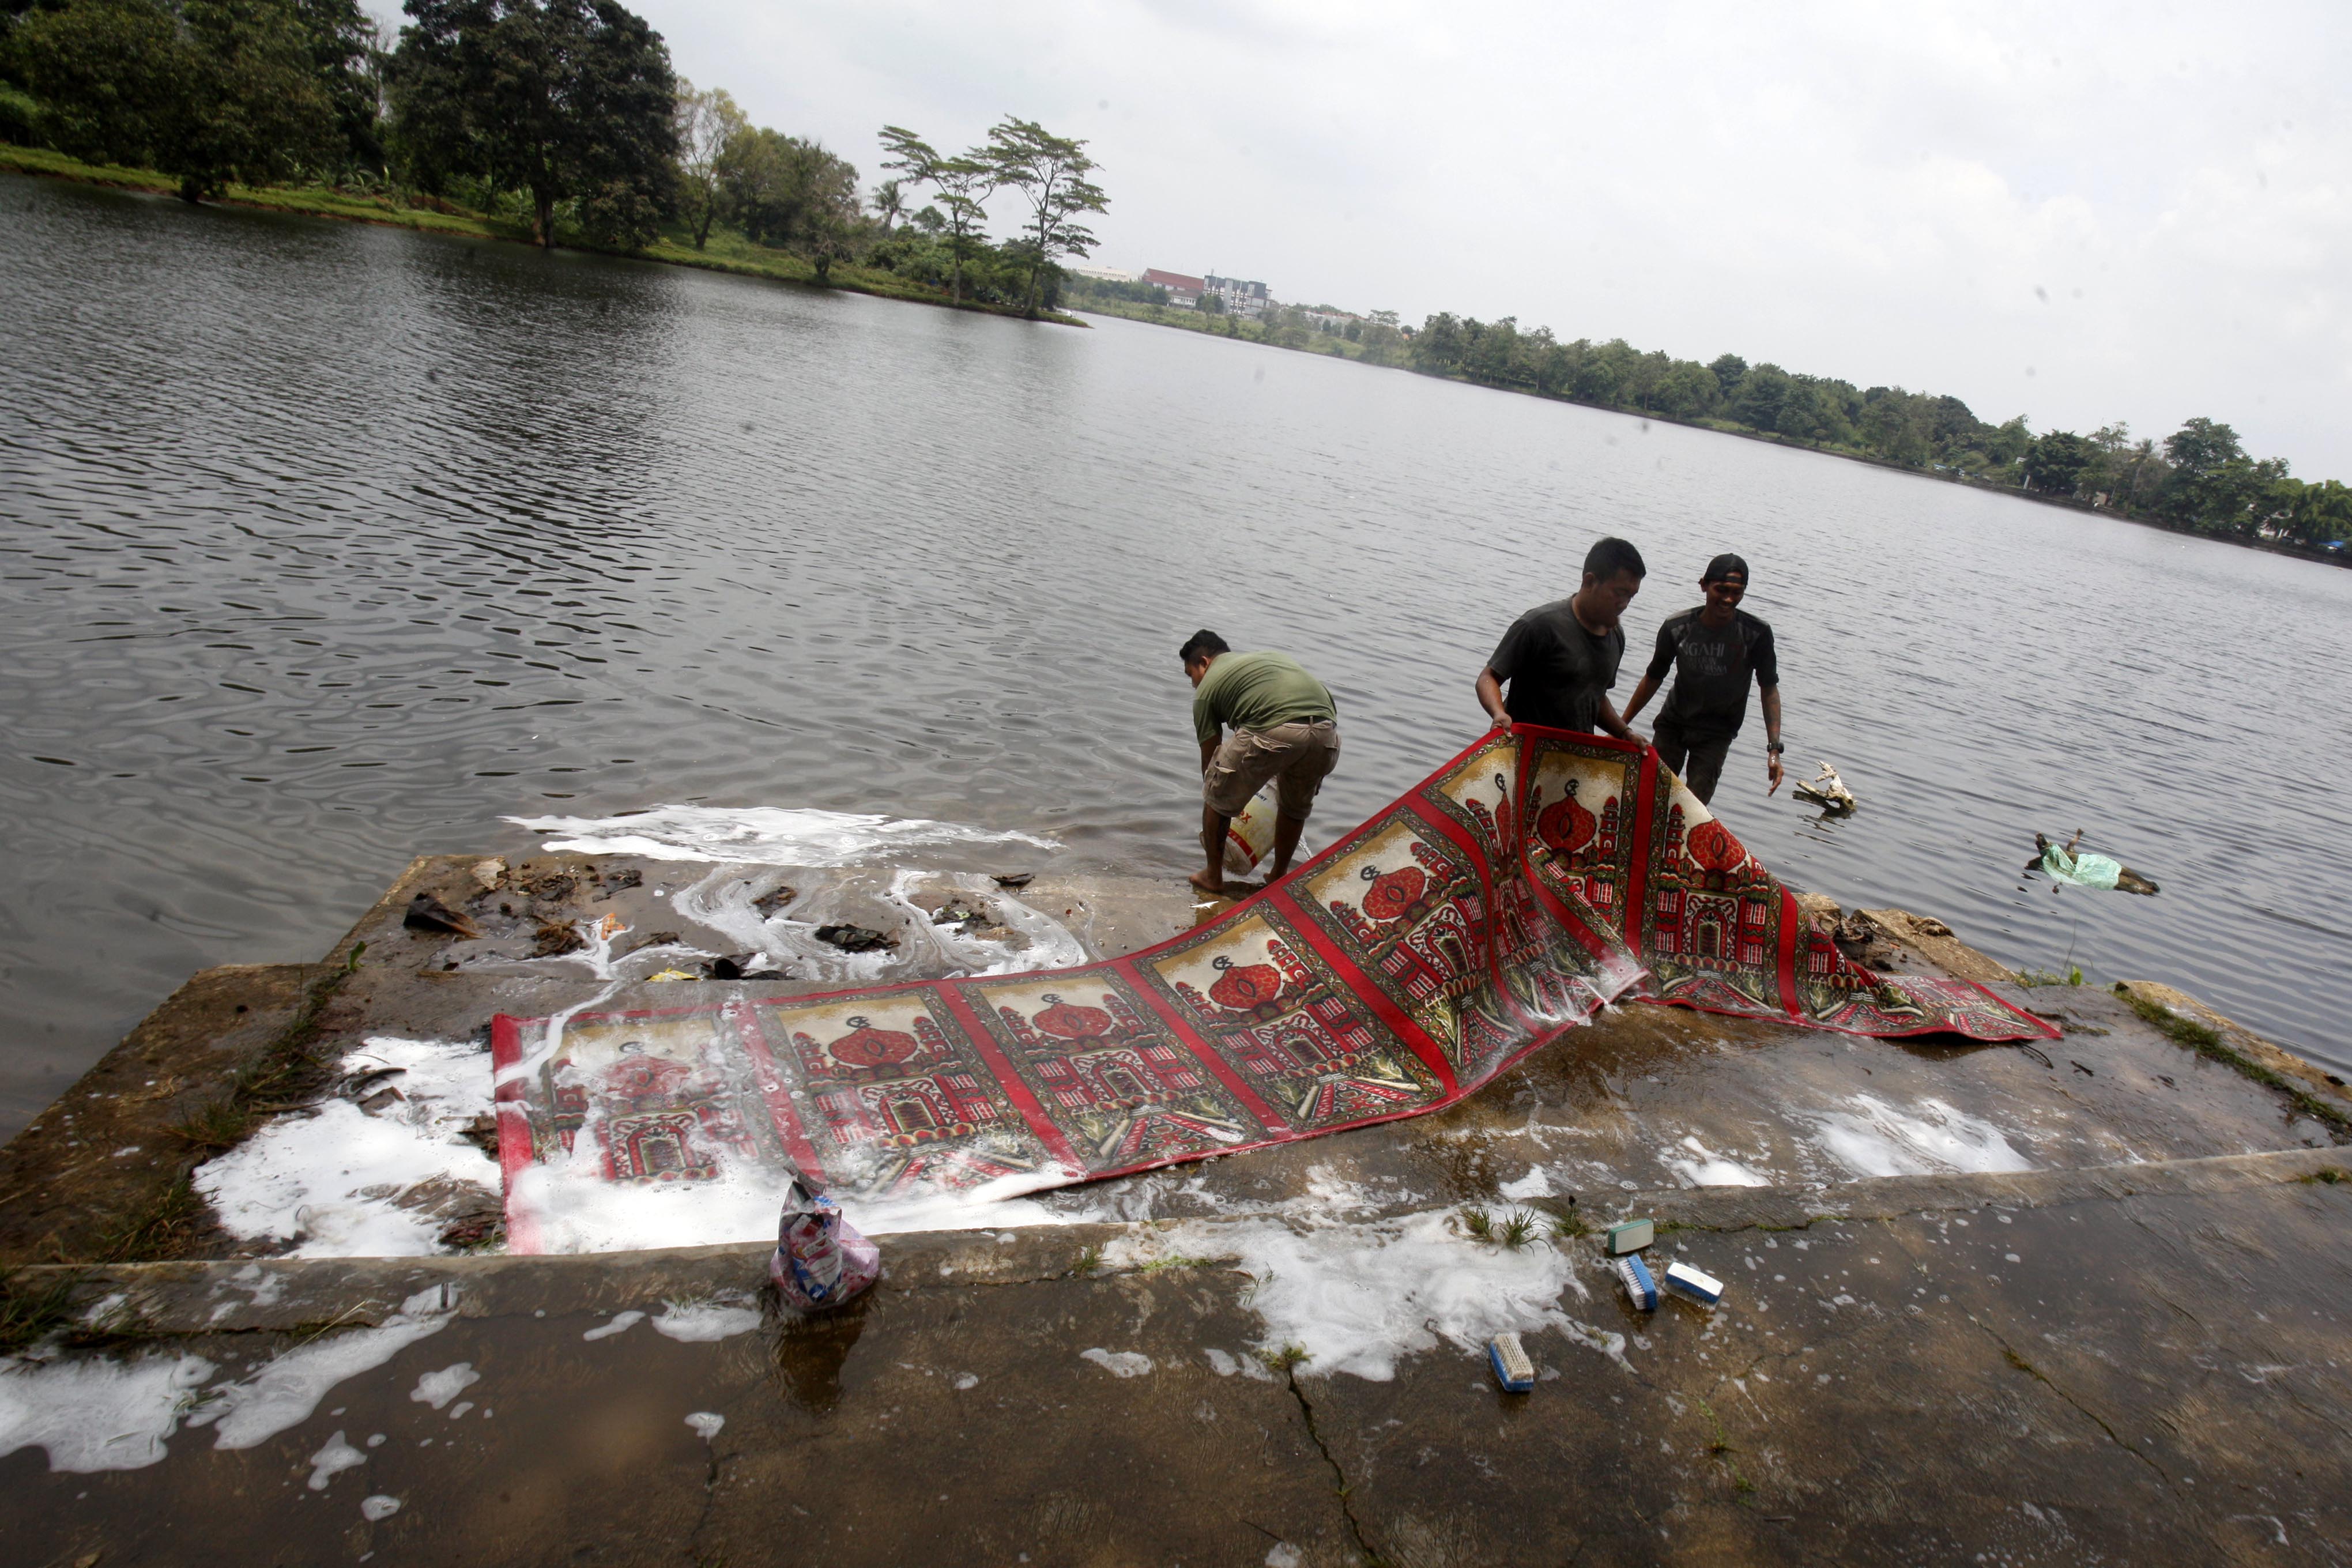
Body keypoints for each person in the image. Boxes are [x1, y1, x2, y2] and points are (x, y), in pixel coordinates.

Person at [1181, 631, 1341, 896]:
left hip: (1276, 729)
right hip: (1327, 734)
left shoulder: (1207, 690)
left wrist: (1219, 793)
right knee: (1294, 805)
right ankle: (1278, 875)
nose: (1194, 685)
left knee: (1216, 792)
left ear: (1205, 663)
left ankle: (1213, 877)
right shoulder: (1268, 659)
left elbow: (1210, 759)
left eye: (1191, 675)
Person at [1619, 552, 1784, 802]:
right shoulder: (1677, 628)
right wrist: (1622, 727)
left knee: (1693, 807)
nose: (1729, 598)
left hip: (1716, 733)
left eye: (1737, 592)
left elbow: (1769, 689)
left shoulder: (1756, 634)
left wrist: (1774, 749)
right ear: (1704, 585)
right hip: (1673, 725)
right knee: (1651, 797)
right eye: (1722, 589)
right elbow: (1653, 677)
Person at [1474, 536, 1646, 741]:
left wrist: (1625, 733)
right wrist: (1499, 713)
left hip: (1574, 760)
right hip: (1524, 750)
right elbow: (1488, 678)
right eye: (1620, 593)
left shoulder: (1616, 637)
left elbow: (1595, 697)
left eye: (1631, 596)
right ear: (1590, 581)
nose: (1624, 604)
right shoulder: (1539, 625)